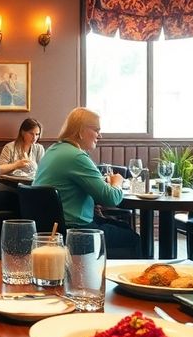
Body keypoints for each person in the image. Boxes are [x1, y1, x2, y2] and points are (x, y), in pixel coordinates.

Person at [33, 107, 139, 258]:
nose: (100, 135)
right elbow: (111, 198)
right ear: (81, 131)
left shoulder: (54, 150)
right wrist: (117, 181)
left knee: (121, 227)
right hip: (75, 233)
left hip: (53, 229)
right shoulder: (77, 157)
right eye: (96, 130)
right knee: (133, 238)